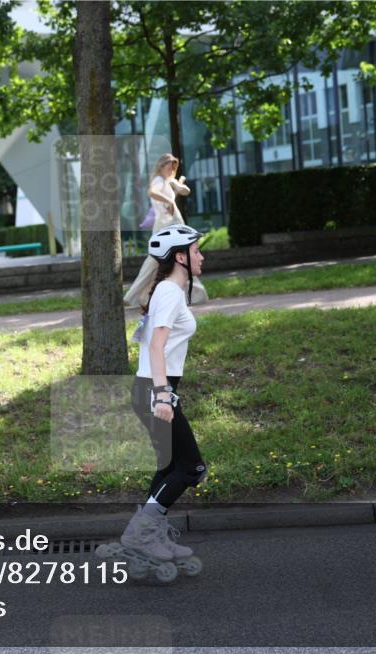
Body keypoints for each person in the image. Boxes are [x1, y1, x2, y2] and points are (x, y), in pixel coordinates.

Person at [121, 224, 207, 564]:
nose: (202, 256)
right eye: (197, 250)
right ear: (181, 257)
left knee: (170, 466)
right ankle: (141, 535)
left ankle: (149, 533)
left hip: (150, 389)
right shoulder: (170, 292)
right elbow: (156, 345)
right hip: (155, 391)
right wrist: (162, 395)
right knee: (191, 468)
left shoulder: (166, 291)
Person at [124, 154, 208, 308]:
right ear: (161, 166)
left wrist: (176, 184)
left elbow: (186, 191)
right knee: (159, 261)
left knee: (176, 259)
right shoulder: (158, 181)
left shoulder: (168, 182)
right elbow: (152, 192)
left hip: (171, 227)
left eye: (173, 167)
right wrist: (169, 200)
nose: (171, 169)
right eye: (169, 166)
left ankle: (194, 293)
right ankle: (133, 296)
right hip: (164, 229)